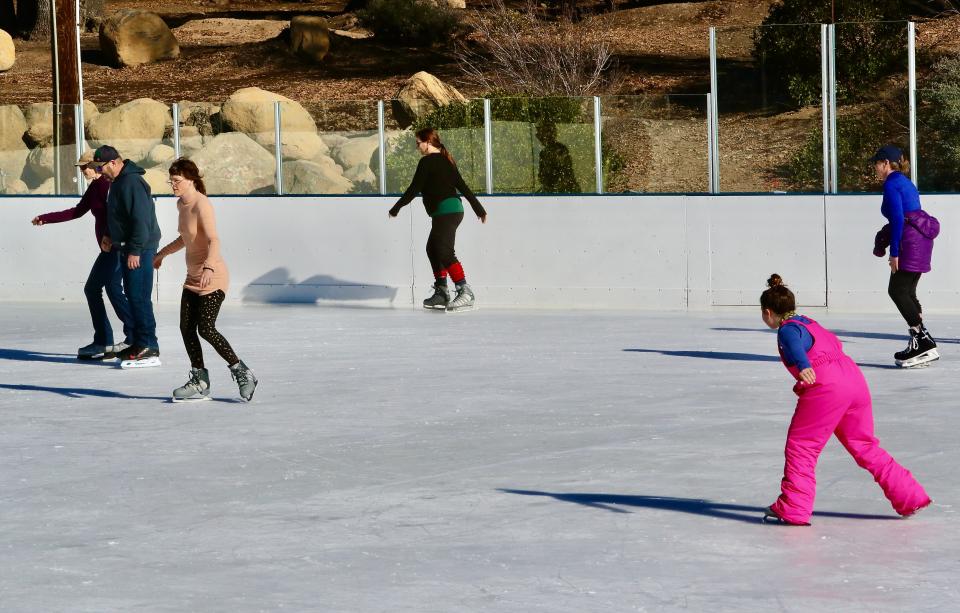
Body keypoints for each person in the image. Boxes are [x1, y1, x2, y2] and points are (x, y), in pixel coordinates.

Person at [759, 274, 931, 526]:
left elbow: (794, 345)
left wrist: (804, 365)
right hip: (854, 380)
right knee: (864, 444)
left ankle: (794, 507)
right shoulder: (809, 322)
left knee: (802, 445)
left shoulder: (787, 329)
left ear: (767, 312)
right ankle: (910, 496)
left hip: (826, 387)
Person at [153, 158, 257, 402]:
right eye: (171, 181)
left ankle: (243, 372)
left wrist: (209, 266)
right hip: (193, 276)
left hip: (213, 276)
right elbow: (185, 239)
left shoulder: (202, 204)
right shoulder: (181, 205)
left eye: (177, 181)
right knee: (186, 328)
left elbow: (214, 240)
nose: (173, 185)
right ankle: (200, 380)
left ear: (191, 180)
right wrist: (161, 254)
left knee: (206, 328)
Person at [31, 149, 134, 360]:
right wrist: (46, 218)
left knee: (102, 288)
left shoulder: (106, 185)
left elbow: (118, 215)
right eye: (81, 168)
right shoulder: (96, 187)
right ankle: (114, 339)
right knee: (103, 289)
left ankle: (122, 338)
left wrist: (108, 235)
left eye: (86, 167)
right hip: (108, 248)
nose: (83, 171)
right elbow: (77, 211)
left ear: (97, 166)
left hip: (116, 247)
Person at [388, 127, 487, 312]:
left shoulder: (427, 162)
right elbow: (462, 186)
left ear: (427, 142)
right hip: (451, 211)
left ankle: (464, 291)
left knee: (443, 250)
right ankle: (442, 290)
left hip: (447, 211)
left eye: (418, 143)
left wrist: (396, 207)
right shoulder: (446, 160)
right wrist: (478, 209)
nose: (417, 147)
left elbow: (413, 189)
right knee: (433, 248)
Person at [870, 144, 940, 368]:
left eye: (876, 164)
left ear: (886, 164)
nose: (875, 169)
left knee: (897, 290)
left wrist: (894, 253)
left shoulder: (891, 184)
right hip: (920, 241)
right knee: (907, 291)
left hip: (909, 243)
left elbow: (899, 220)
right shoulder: (903, 182)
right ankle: (922, 342)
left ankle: (923, 341)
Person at [95, 145, 162, 368]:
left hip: (140, 249)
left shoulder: (131, 182)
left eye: (101, 166)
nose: (99, 171)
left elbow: (140, 219)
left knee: (139, 297)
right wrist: (108, 235)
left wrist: (135, 250)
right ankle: (138, 342)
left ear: (114, 162)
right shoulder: (118, 182)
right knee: (134, 296)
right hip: (128, 247)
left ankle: (149, 345)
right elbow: (120, 216)